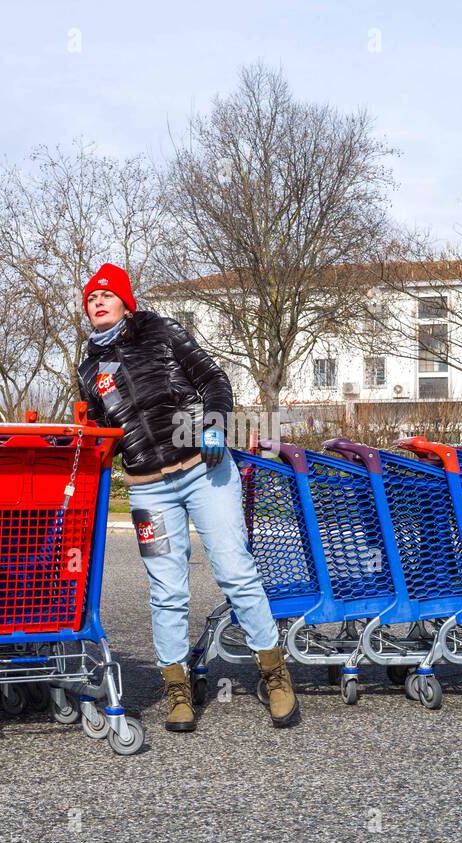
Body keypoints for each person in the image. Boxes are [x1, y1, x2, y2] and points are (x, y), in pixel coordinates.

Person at [76, 262, 298, 732]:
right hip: (147, 487)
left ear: (125, 302)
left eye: (106, 295)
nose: (97, 302)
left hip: (204, 470)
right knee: (167, 589)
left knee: (235, 571)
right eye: (90, 298)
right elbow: (102, 429)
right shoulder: (89, 368)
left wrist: (215, 426)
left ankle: (274, 674)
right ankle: (177, 688)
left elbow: (215, 379)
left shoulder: (159, 331)